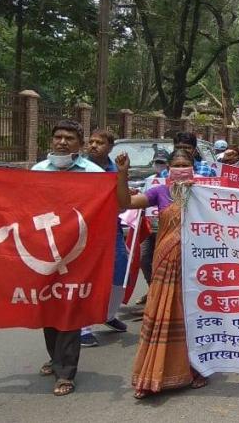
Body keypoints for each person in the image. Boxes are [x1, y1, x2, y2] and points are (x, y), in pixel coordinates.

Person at [114, 149, 209, 398]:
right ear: (168, 168)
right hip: (166, 263)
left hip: (194, 267)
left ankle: (194, 369)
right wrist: (122, 174)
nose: (180, 169)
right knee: (159, 316)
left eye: (185, 164)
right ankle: (150, 375)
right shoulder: (160, 192)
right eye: (176, 164)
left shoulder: (205, 193)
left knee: (191, 319)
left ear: (193, 167)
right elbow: (126, 203)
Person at [30, 119, 105, 396]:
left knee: (70, 307)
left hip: (79, 253)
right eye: (58, 137)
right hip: (45, 250)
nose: (62, 142)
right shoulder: (37, 171)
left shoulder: (94, 174)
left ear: (80, 144)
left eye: (69, 138)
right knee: (49, 306)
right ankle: (56, 357)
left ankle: (66, 373)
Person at [81, 129, 130, 347]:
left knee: (120, 270)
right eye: (91, 142)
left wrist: (123, 175)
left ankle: (108, 314)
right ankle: (83, 326)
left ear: (110, 147)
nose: (93, 145)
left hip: (111, 228)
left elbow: (123, 199)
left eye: (99, 142)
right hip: (83, 231)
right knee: (86, 276)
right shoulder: (78, 168)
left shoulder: (115, 168)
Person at [137, 151, 169, 304]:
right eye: (158, 162)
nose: (160, 166)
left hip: (167, 230)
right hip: (150, 227)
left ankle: (161, 295)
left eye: (162, 162)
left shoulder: (178, 184)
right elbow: (139, 202)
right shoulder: (151, 182)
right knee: (144, 258)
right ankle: (153, 289)